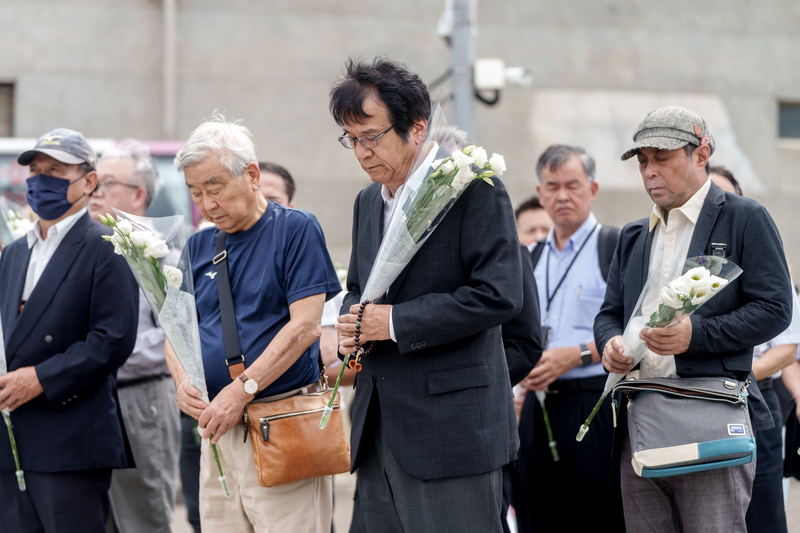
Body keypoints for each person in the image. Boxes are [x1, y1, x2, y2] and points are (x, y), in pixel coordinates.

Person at [330, 56, 523, 533]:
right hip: (377, 426)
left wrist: (394, 323)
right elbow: (360, 288)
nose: (361, 152)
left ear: (417, 128)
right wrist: (351, 325)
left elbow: (497, 295)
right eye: (351, 139)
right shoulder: (366, 201)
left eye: (371, 136)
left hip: (451, 429)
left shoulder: (472, 189)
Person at [596, 105, 793, 532]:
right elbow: (610, 313)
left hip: (709, 411)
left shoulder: (744, 217)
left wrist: (695, 335)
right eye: (643, 161)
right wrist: (610, 345)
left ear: (700, 154)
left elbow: (777, 309)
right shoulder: (633, 235)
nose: (650, 171)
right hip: (640, 417)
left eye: (661, 158)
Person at [169, 114, 341, 532]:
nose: (207, 205)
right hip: (217, 428)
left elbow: (305, 327)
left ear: (251, 175)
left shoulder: (295, 229)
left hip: (280, 423)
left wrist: (241, 389)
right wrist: (182, 382)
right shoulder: (197, 245)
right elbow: (175, 330)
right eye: (195, 193)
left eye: (215, 188)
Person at [0, 128, 139, 532]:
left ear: (89, 181)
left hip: (71, 438)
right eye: (36, 171)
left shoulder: (106, 246)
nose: (41, 180)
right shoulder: (12, 254)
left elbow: (112, 339)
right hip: (12, 439)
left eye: (56, 171)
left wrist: (41, 378)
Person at [513, 144, 624, 533]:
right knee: (537, 514)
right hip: (537, 405)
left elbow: (635, 330)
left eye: (573, 185)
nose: (562, 196)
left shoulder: (614, 246)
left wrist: (574, 355)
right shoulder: (529, 256)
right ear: (540, 193)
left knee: (599, 516)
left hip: (594, 404)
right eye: (552, 186)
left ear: (592, 190)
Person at [87, 140, 181, 533]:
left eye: (106, 183)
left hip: (140, 396)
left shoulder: (161, 257)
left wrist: (98, 355)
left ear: (138, 194)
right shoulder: (90, 251)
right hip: (89, 396)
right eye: (92, 184)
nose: (96, 193)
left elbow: (172, 341)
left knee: (142, 516)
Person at [710, 164, 800, 533]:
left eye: (723, 199)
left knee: (762, 517)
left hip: (754, 405)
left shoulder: (765, 265)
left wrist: (730, 378)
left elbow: (786, 350)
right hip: (692, 412)